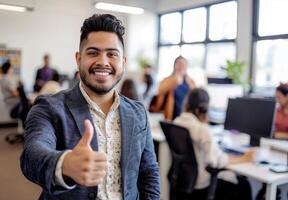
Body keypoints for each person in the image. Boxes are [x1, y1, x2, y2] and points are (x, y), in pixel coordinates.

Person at [20, 14, 160, 200]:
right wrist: (65, 165)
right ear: (78, 59)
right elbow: (31, 155)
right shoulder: (49, 107)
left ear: (123, 62)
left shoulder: (138, 112)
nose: (103, 61)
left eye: (112, 54)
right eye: (93, 52)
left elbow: (149, 172)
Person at [174, 88, 253, 200]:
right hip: (201, 185)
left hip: (183, 181)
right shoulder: (202, 129)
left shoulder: (178, 121)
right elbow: (214, 161)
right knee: (244, 185)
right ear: (202, 109)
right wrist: (243, 158)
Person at [153, 56, 195, 120]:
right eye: (179, 64)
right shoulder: (167, 80)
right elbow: (160, 90)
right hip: (171, 116)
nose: (181, 66)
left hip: (186, 117)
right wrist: (175, 81)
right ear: (174, 66)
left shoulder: (191, 81)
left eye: (183, 64)